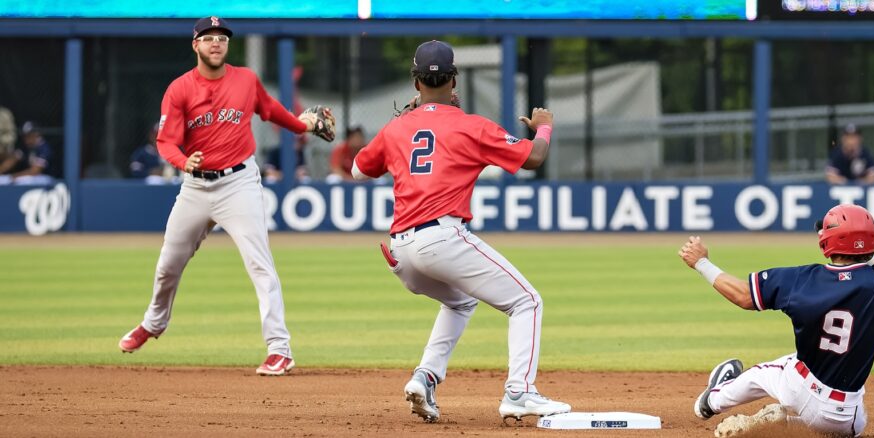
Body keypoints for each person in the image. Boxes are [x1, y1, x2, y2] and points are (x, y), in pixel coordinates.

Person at [351, 40, 570, 423]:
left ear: (415, 83)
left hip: (400, 252)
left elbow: (357, 170)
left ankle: (426, 376)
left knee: (461, 301)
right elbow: (534, 158)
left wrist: (402, 129)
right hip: (441, 237)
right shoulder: (471, 125)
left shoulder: (395, 128)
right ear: (455, 81)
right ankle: (519, 392)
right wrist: (545, 127)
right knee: (527, 302)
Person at [118, 16, 334, 376]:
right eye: (208, 38)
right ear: (195, 45)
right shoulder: (180, 89)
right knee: (167, 265)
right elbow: (166, 141)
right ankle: (154, 323)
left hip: (239, 184)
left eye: (222, 38)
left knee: (260, 264)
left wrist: (303, 124)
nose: (216, 43)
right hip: (196, 186)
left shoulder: (246, 79)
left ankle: (280, 350)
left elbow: (271, 110)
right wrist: (184, 161)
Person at [679, 204, 874, 437]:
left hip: (801, 389)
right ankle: (785, 424)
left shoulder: (801, 280)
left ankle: (709, 401)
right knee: (846, 416)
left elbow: (743, 296)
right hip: (848, 420)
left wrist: (701, 263)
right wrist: (863, 249)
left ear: (827, 241)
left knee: (765, 372)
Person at [0, 121, 55, 185]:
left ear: (36, 134)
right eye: (25, 136)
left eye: (29, 135)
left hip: (46, 179)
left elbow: (35, 171)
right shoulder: (26, 147)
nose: (26, 138)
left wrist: (14, 176)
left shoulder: (44, 148)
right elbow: (12, 160)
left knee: (21, 181)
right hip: (31, 177)